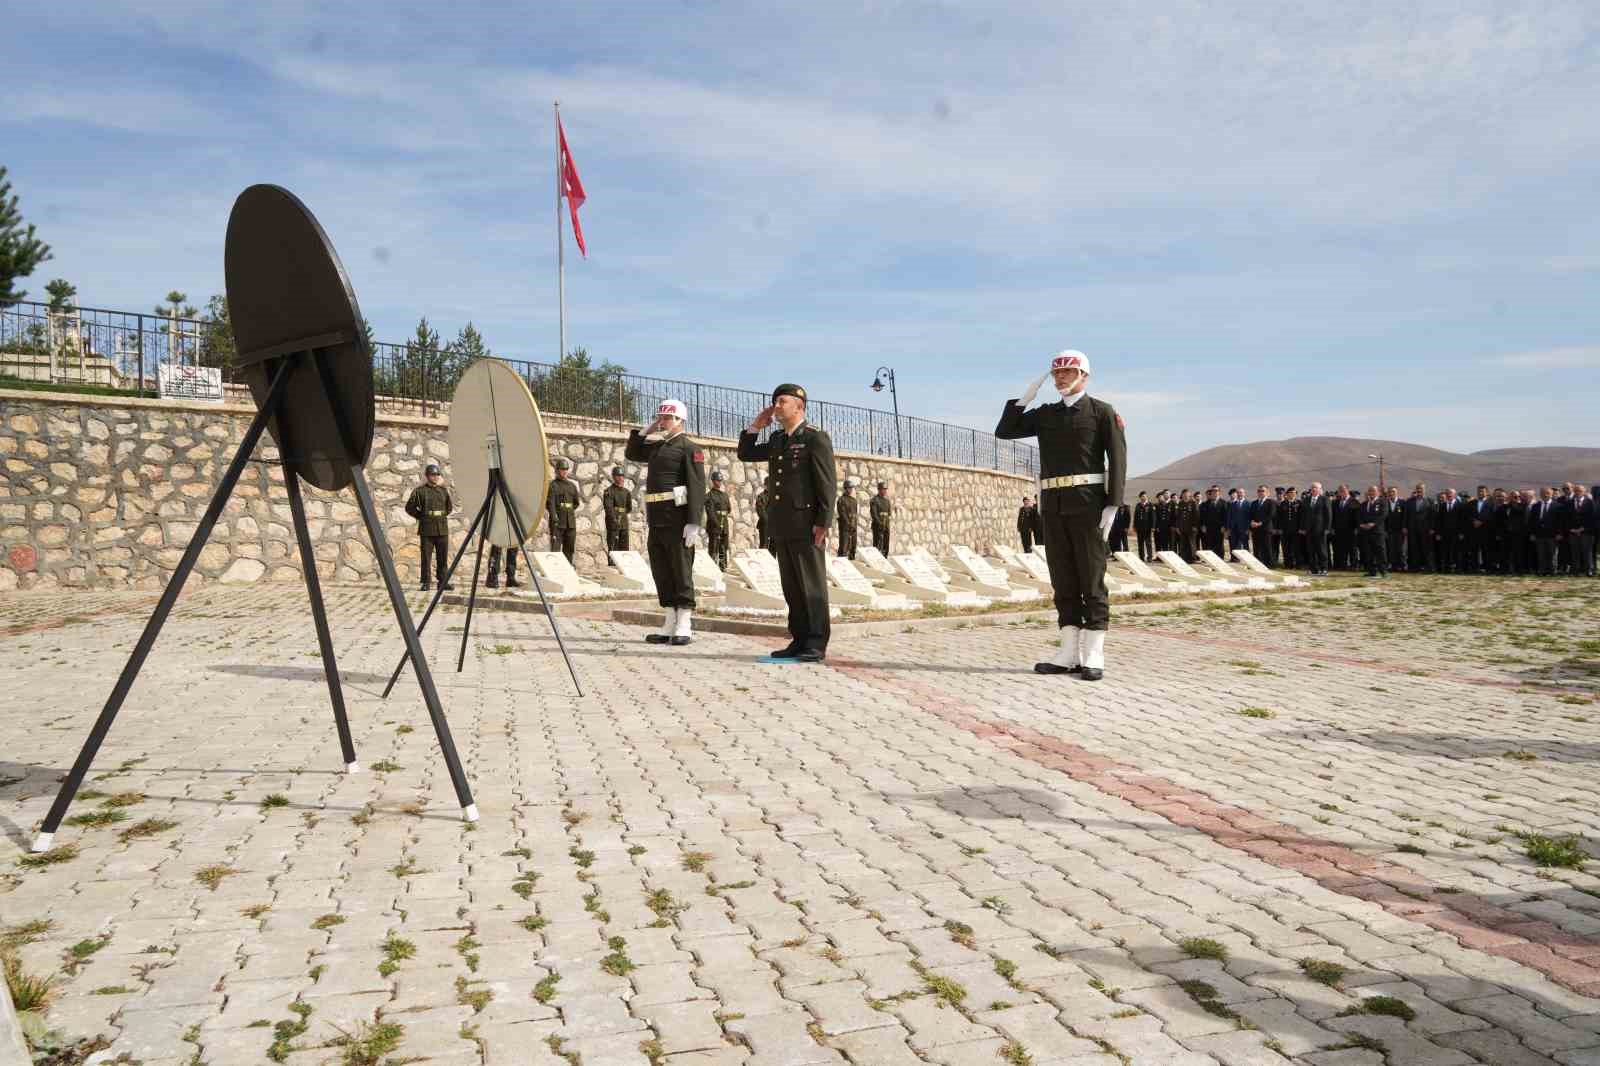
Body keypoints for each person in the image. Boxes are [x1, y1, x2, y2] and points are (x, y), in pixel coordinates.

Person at [995, 349, 1127, 680]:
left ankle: (1093, 653)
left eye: (1068, 372)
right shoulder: (1046, 414)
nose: (1060, 378)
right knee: (1063, 578)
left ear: (1084, 375)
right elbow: (1005, 431)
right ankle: (1068, 652)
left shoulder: (1101, 412)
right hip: (1053, 504)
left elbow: (1118, 459)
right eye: (1056, 374)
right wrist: (1024, 398)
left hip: (1088, 503)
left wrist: (1113, 503)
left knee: (1091, 577)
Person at [738, 383, 836, 663]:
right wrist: (756, 426)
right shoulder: (779, 439)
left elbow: (826, 484)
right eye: (775, 402)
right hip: (782, 523)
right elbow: (745, 454)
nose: (776, 406)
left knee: (811, 585)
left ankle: (816, 642)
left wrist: (823, 522)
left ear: (799, 406)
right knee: (792, 585)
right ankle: (799, 639)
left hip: (807, 524)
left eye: (782, 401)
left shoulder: (815, 438)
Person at [625, 399, 707, 645]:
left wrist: (693, 521)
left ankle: (685, 623)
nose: (663, 421)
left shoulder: (689, 448)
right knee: (661, 568)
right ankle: (669, 620)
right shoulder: (659, 447)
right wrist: (644, 431)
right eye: (660, 417)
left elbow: (697, 485)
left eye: (667, 418)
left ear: (680, 420)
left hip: (678, 517)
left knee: (680, 569)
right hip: (657, 516)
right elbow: (633, 452)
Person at [404, 463, 454, 592]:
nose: (435, 477)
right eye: (433, 475)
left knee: (442, 557)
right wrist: (422, 516)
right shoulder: (420, 491)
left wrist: (439, 517)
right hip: (427, 529)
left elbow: (449, 508)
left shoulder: (443, 491)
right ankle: (426, 582)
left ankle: (442, 581)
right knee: (426, 557)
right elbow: (409, 508)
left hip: (442, 528)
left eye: (437, 474)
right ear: (427, 476)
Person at [546, 457, 581, 565]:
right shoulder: (553, 485)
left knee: (569, 548)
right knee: (556, 549)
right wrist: (554, 516)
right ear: (557, 470)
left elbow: (576, 503)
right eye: (562, 469)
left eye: (566, 469)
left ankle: (568, 567)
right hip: (557, 522)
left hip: (570, 522)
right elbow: (550, 504)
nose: (564, 471)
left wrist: (568, 511)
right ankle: (555, 569)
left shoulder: (572, 486)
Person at [601, 466, 632, 563]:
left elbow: (628, 508)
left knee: (624, 547)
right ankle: (613, 568)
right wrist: (614, 520)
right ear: (613, 477)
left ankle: (624, 567)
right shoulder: (608, 491)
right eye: (618, 475)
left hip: (623, 523)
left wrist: (621, 516)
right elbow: (608, 508)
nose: (620, 478)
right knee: (613, 547)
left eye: (622, 476)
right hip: (613, 523)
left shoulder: (626, 492)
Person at [1358, 485, 1390, 577]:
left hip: (1377, 531)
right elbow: (1359, 516)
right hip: (1366, 531)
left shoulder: (1382, 502)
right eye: (1369, 491)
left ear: (1378, 492)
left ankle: (1383, 571)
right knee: (1369, 552)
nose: (1371, 493)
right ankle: (1372, 571)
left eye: (1373, 491)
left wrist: (1373, 523)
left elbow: (1383, 515)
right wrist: (1361, 524)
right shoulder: (1364, 504)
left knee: (1380, 552)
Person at [704, 470, 733, 571]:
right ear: (713, 481)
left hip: (724, 524)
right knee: (713, 548)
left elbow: (729, 509)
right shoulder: (709, 496)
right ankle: (711, 568)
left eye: (720, 480)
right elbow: (710, 513)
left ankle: (723, 566)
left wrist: (722, 524)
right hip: (714, 525)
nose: (719, 482)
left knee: (724, 547)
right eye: (717, 480)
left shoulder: (724, 495)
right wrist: (717, 524)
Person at [1300, 482, 1331, 575]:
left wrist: (1327, 528)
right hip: (1309, 529)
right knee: (1311, 550)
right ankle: (1313, 569)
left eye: (1316, 488)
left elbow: (1328, 515)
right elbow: (1303, 515)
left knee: (1321, 550)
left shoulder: (1324, 499)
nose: (1314, 489)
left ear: (1320, 489)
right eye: (1312, 487)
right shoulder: (1306, 499)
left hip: (1320, 529)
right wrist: (1302, 527)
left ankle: (1324, 569)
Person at [1530, 486, 1561, 576]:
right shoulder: (1536, 506)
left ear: (1551, 494)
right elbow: (1532, 521)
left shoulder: (1558, 506)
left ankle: (1552, 571)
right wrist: (1532, 533)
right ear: (1540, 494)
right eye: (1543, 493)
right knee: (1541, 554)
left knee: (1553, 554)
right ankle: (1542, 571)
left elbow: (1560, 521)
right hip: (1539, 535)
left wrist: (1559, 533)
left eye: (1547, 493)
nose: (1545, 495)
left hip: (1553, 535)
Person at [1404, 483, 1433, 573]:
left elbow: (1433, 516)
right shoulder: (1410, 501)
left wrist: (1432, 528)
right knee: (1413, 548)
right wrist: (1404, 526)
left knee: (1426, 549)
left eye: (1421, 489)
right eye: (1418, 489)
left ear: (1424, 490)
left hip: (1425, 529)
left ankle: (1429, 567)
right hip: (1412, 529)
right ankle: (1414, 567)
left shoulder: (1430, 501)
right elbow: (1406, 515)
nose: (1419, 490)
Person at [1249, 485, 1276, 566]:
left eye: (1262, 491)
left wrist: (1260, 523)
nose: (1260, 492)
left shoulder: (1271, 502)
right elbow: (1251, 514)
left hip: (1266, 528)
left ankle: (1269, 564)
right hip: (1256, 529)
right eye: (1259, 491)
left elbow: (1271, 515)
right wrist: (1252, 522)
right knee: (1256, 548)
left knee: (1267, 547)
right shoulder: (1254, 503)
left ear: (1267, 493)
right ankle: (1257, 564)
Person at [837, 477, 860, 559]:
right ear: (845, 489)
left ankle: (852, 562)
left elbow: (855, 514)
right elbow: (842, 514)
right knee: (844, 546)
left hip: (853, 526)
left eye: (851, 488)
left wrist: (853, 525)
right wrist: (849, 524)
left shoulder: (854, 501)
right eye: (849, 488)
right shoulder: (841, 500)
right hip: (845, 527)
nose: (850, 490)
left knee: (853, 546)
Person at [870, 482, 893, 556]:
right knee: (877, 544)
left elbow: (889, 513)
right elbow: (874, 514)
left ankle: (885, 557)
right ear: (879, 490)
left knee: (886, 543)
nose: (885, 491)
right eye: (883, 489)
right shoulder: (874, 500)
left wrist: (885, 524)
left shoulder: (887, 501)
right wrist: (880, 523)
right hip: (877, 526)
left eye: (886, 489)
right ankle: (876, 558)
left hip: (886, 525)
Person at [1133, 491, 1155, 561]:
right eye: (1142, 496)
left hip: (1148, 528)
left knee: (1148, 543)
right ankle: (1141, 557)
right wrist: (1134, 526)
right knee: (1140, 543)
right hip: (1139, 528)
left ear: (1146, 497)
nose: (1144, 497)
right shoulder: (1138, 505)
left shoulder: (1151, 505)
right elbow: (1135, 517)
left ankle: (1150, 557)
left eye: (1145, 496)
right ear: (1140, 498)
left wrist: (1153, 527)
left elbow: (1153, 517)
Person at [754, 479, 771, 551]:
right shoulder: (761, 497)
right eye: (768, 484)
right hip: (764, 525)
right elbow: (761, 512)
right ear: (765, 485)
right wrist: (769, 522)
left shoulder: (775, 496)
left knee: (773, 548)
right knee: (764, 546)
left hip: (775, 526)